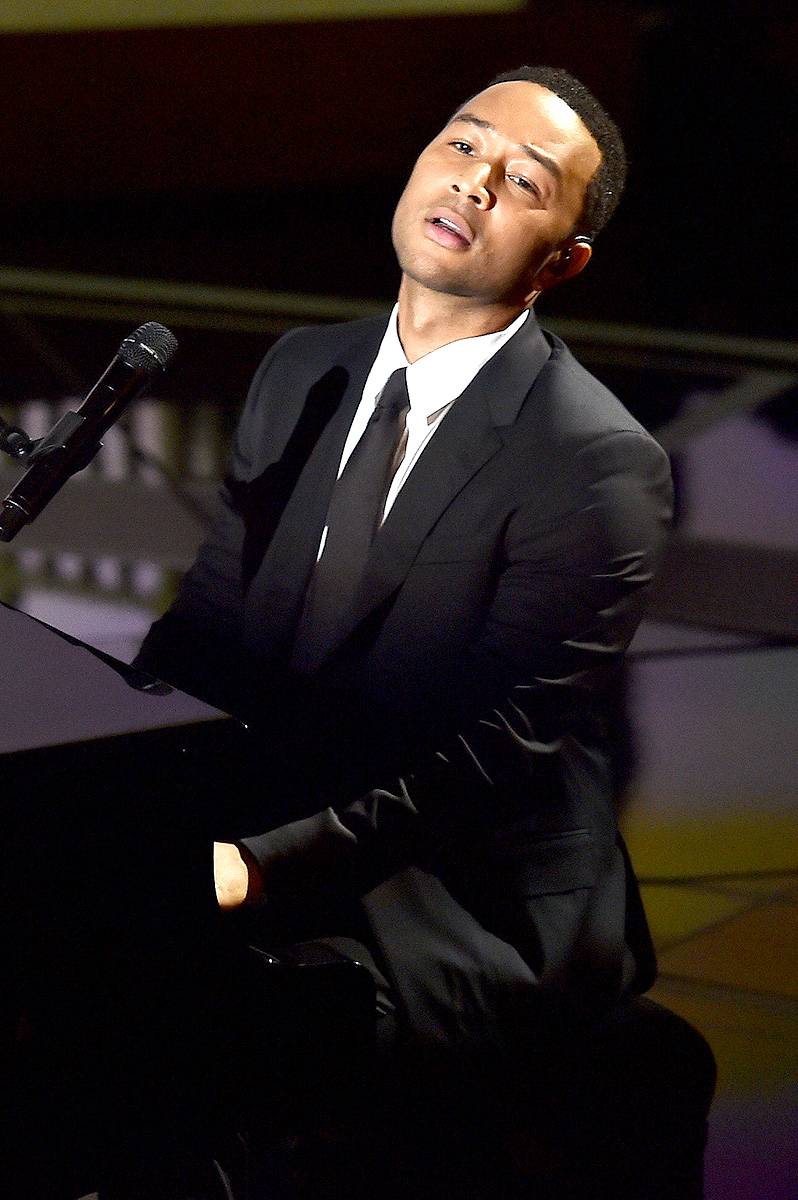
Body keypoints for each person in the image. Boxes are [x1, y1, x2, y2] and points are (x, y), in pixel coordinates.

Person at [136, 65, 674, 1196]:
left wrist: (254, 870)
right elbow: (212, 629)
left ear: (563, 261)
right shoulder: (305, 367)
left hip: (455, 892)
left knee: (201, 1025)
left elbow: (487, 753)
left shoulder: (596, 461)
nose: (475, 183)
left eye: (524, 181)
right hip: (292, 808)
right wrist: (108, 777)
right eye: (463, 145)